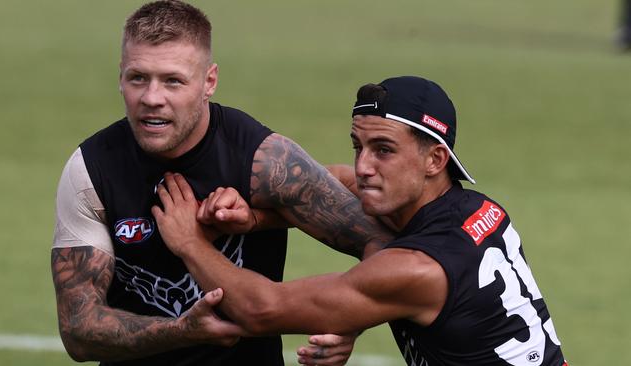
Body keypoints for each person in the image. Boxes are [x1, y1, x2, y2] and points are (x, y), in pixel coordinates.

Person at [50, 1, 391, 365]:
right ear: (120, 76)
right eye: (138, 78)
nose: (152, 98)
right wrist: (183, 330)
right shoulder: (91, 170)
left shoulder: (263, 161)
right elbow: (78, 331)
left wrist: (349, 320)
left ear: (208, 81)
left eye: (173, 81)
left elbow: (383, 243)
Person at [154, 76, 569, 365]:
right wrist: (256, 218)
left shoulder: (417, 269)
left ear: (434, 159)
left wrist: (190, 242)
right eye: (359, 145)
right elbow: (336, 181)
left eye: (384, 150)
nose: (365, 165)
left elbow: (262, 310)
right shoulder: (476, 209)